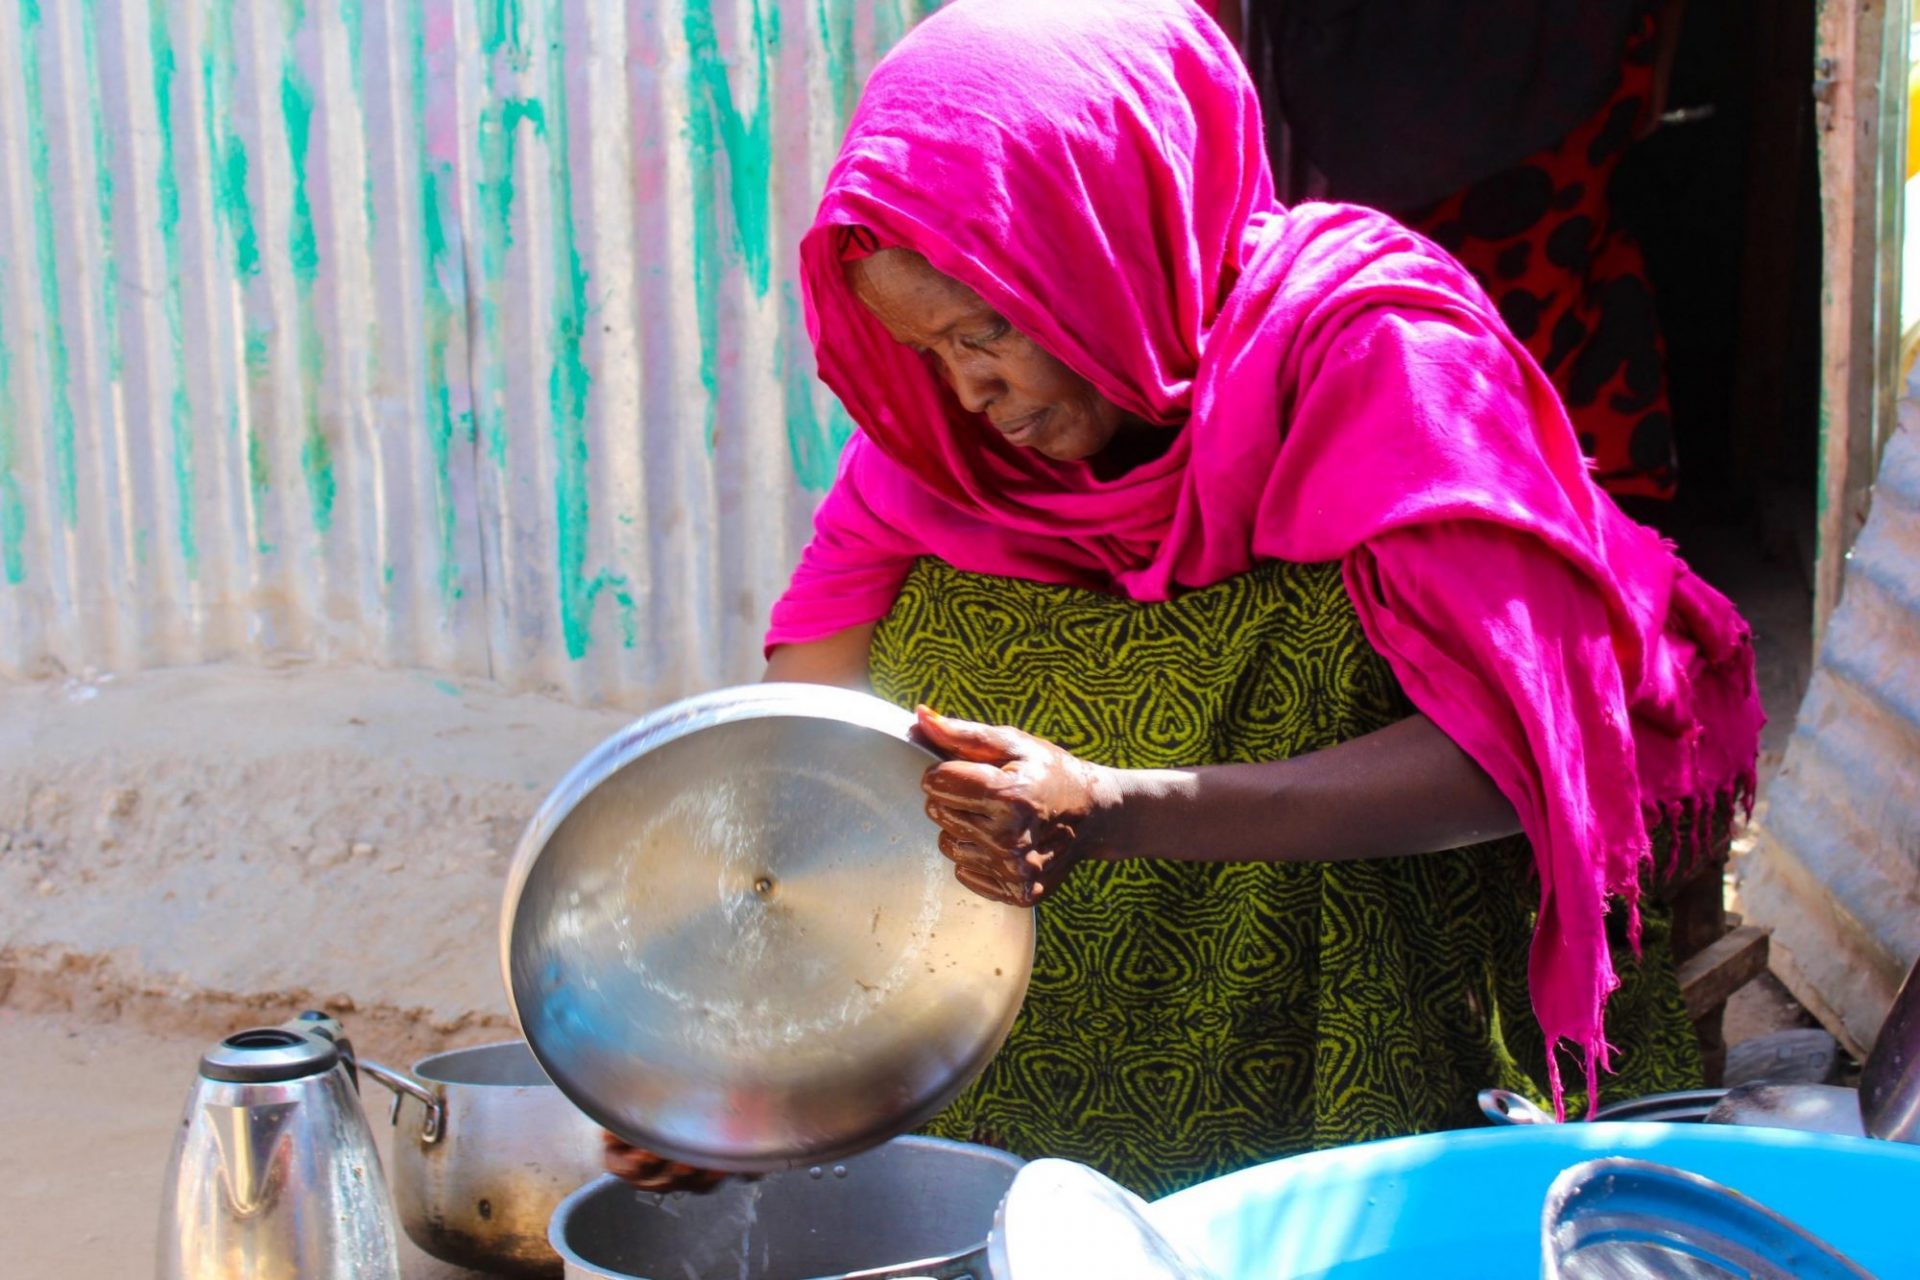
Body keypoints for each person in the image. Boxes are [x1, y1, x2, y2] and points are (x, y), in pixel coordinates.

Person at [610, 0, 1762, 1198]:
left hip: (1354, 979)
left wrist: (1108, 804)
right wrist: (737, 1054)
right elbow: (805, 744)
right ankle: (1022, 1154)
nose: (969, 391)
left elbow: (1515, 754)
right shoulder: (942, 448)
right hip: (1063, 975)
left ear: (1102, 243)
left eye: (991, 327)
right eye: (933, 349)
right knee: (934, 638)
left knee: (1323, 644)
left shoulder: (1381, 365)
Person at [1225, 0, 1689, 499]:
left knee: (1444, 316)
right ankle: (1536, 518)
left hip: (1470, 77)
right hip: (1429, 82)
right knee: (1482, 310)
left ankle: (1508, 517)